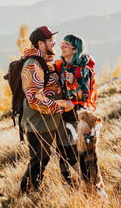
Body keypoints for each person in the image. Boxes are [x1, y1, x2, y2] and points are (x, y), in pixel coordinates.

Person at [20, 26, 74, 193]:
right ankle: (27, 194)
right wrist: (62, 106)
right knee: (38, 161)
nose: (55, 42)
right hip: (38, 123)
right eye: (51, 40)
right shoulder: (32, 64)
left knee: (46, 158)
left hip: (49, 121)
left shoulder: (46, 61)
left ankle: (68, 186)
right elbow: (35, 99)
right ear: (40, 43)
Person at [55, 34, 96, 185]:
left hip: (75, 115)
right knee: (61, 150)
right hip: (61, 113)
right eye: (62, 43)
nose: (62, 46)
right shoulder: (60, 65)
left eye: (66, 44)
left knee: (71, 150)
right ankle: (68, 183)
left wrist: (73, 83)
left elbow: (85, 96)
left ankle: (86, 182)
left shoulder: (84, 69)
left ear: (74, 50)